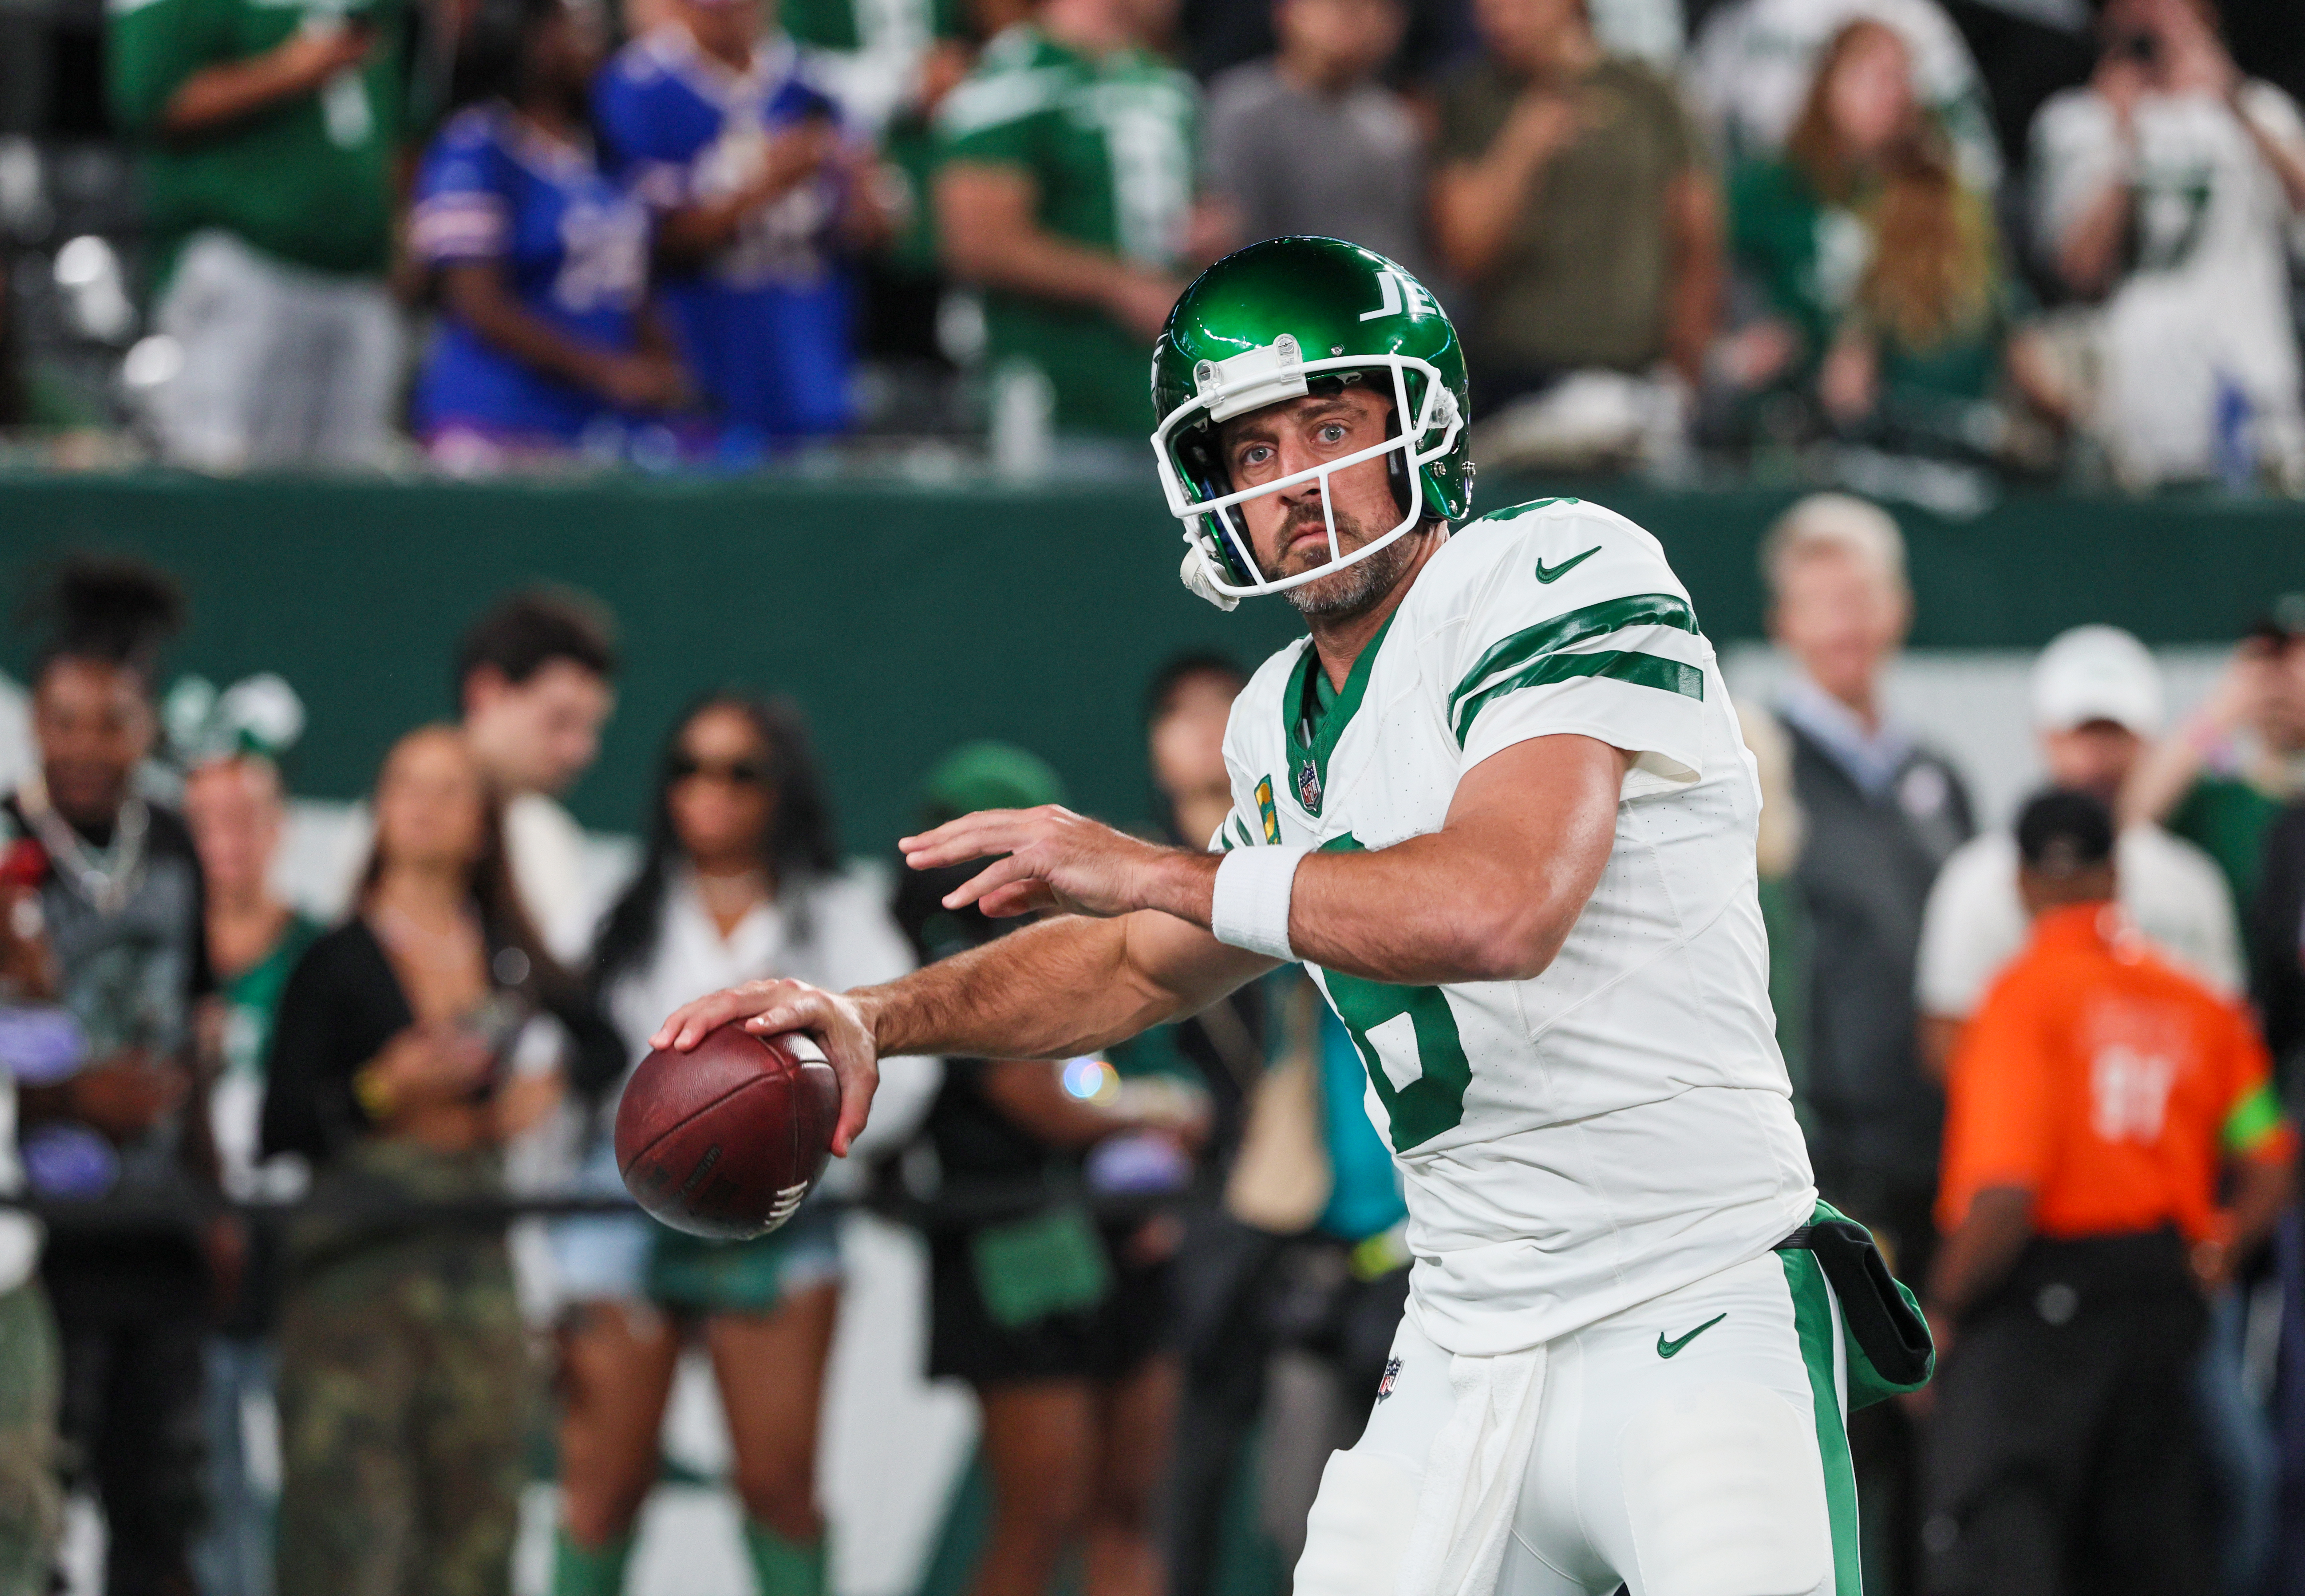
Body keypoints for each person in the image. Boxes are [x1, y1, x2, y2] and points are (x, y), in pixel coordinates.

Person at [658, 237, 1931, 1596]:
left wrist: (1159, 867)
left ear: (1419, 427)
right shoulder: (1275, 715)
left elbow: (1501, 908)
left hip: (1684, 1306)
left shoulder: (1558, 568)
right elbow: (1139, 966)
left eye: (1329, 426)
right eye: (1250, 454)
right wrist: (871, 1017)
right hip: (1460, 1334)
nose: (1294, 486)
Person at [549, 694, 935, 1596]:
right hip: (619, 1215)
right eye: (688, 766)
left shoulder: (839, 916)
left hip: (782, 1222)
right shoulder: (611, 909)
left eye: (739, 770)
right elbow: (549, 1065)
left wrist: (800, 1122)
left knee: (777, 1483)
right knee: (603, 1489)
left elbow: (909, 1071)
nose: (708, 790)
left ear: (783, 788)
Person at [260, 726, 617, 1596]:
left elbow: (602, 1046)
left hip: (476, 1270)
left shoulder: (509, 956)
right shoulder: (335, 957)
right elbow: (281, 1129)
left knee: (479, 1517)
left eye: (448, 788)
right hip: (355, 1273)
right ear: (378, 808)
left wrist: (535, 1095)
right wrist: (383, 1091)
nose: (422, 805)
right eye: (403, 783)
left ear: (484, 823)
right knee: (350, 1527)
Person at [1923, 789, 2294, 1596]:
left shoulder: (2016, 999)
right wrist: (2221, 1246)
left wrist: (1940, 1311)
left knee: (2000, 1535)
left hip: (2036, 1305)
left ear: (2021, 885)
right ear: (2114, 876)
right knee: (2150, 1550)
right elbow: (2267, 1151)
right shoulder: (2199, 1004)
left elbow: (2002, 1195)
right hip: (2161, 1300)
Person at [895, 741, 1205, 1596]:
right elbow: (1040, 1101)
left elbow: (1143, 1084)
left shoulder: (1091, 932)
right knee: (1040, 1513)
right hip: (1010, 1261)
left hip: (1127, 1251)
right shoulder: (938, 958)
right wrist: (1147, 1117)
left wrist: (1151, 1119)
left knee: (1128, 1505)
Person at [1762, 491, 1969, 1596]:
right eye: (1817, 598)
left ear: (1897, 610)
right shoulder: (1755, 776)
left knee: (1947, 1488)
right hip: (1832, 1194)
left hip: (1957, 1191)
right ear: (1784, 619)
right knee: (1838, 1480)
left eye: (1861, 594)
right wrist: (1839, 1197)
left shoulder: (1939, 782)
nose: (1842, 619)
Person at [7, 562, 214, 1596]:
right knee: (35, 1514)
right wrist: (65, 1097)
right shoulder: (7, 848)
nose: (86, 746)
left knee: (164, 1512)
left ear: (147, 729)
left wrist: (211, 1193)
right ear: (35, 724)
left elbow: (198, 1021)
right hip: (36, 1242)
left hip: (161, 1227)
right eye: (65, 720)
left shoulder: (177, 845)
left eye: (111, 721)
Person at [1917, 625, 2241, 1075]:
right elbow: (1946, 1037)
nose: (2095, 759)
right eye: (2079, 735)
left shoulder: (2190, 883)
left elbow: (2226, 1037)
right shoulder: (1976, 878)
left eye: (2113, 735)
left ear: (2144, 741)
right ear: (2045, 737)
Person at [104, 0, 402, 468]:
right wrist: (290, 69)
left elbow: (400, 117)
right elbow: (150, 98)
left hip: (361, 277)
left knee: (352, 505)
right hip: (243, 261)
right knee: (218, 484)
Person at [2027, 0, 2305, 489]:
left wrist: (2233, 98)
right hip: (2134, 409)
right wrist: (2125, 144)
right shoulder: (2077, 121)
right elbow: (2079, 267)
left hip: (2252, 397)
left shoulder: (2259, 109)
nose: (2156, 18)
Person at [594, 0, 891, 449]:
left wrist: (858, 190)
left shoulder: (814, 84)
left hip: (811, 360)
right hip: (699, 372)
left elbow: (875, 234)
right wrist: (768, 182)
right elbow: (652, 242)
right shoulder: (636, 84)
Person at [1726, 19, 2035, 450]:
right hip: (1793, 418)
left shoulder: (1941, 194)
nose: (1888, 95)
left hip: (1924, 419)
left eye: (1898, 79)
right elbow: (1717, 271)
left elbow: (1993, 302)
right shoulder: (1777, 187)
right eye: (1870, 76)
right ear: (1827, 83)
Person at [410, 0, 689, 467]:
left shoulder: (604, 152)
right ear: (526, 38)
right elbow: (475, 302)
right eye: (574, 30)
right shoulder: (479, 147)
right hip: (497, 419)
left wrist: (661, 359)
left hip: (594, 426)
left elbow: (627, 280)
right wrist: (604, 370)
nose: (591, 45)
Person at [934, 0, 1209, 442]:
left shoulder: (1164, 79)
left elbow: (1196, 202)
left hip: (1173, 397)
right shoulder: (1009, 79)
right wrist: (1117, 286)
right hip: (1059, 394)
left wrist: (1210, 228)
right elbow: (979, 243)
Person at [180, 752, 323, 1596]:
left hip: (295, 1242)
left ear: (280, 828)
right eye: (206, 820)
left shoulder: (322, 954)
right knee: (203, 1469)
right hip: (181, 1238)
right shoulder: (156, 949)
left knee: (318, 1464)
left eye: (245, 818)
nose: (226, 841)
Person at [1430, 0, 1720, 413]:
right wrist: (1521, 147)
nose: (1498, 20)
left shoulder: (1648, 94)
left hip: (1633, 375)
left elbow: (1697, 238)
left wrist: (1685, 371)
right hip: (1511, 378)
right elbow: (1462, 252)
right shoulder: (1471, 98)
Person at [1201, 0, 1426, 277]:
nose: (1349, 18)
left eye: (1372, 7)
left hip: (1370, 303)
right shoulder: (1240, 108)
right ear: (1285, 12)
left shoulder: (1395, 128)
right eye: (1330, 5)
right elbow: (1227, 237)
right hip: (1272, 298)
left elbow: (1398, 252)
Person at [1683, 0, 1999, 192]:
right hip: (1758, 204)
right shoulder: (1747, 19)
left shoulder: (1919, 23)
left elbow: (1977, 166)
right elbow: (1690, 128)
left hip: (1876, 205)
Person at [2121, 602, 2305, 927]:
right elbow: (2133, 819)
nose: (2279, 679)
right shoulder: (2217, 799)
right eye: (2267, 660)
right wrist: (2220, 712)